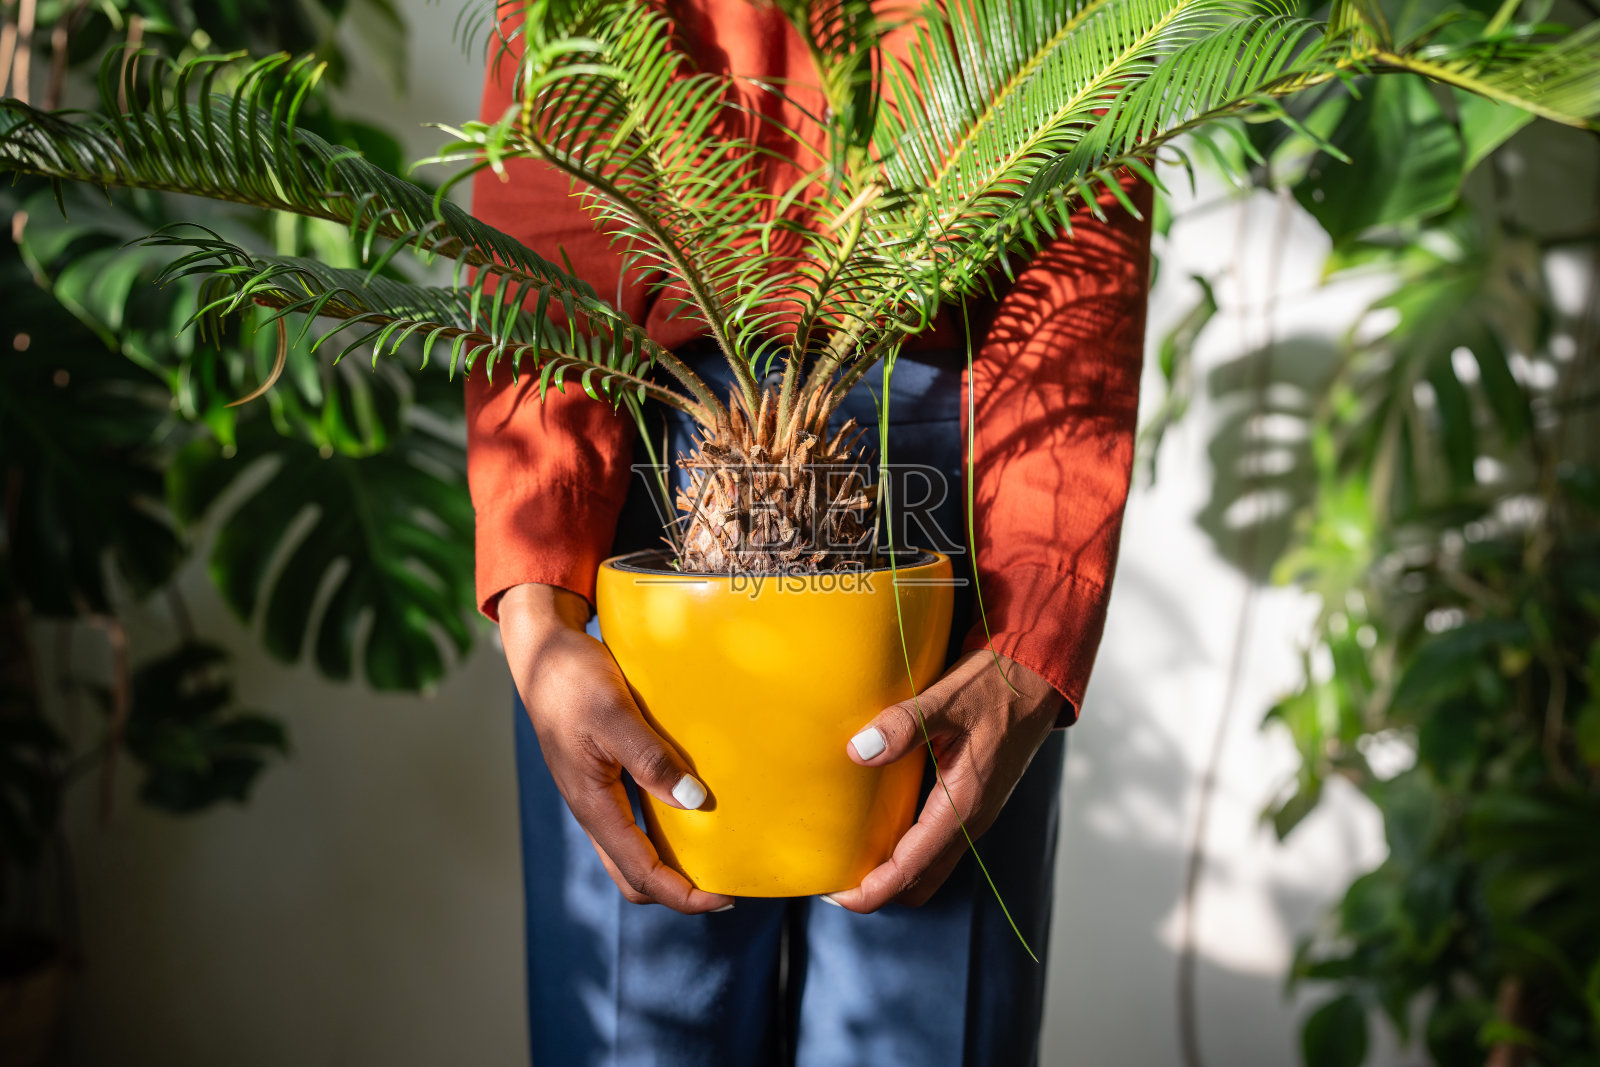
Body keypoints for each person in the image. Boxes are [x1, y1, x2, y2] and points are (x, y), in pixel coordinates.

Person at [465, 3, 1152, 1063]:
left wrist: (1025, 639)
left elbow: (1087, 167)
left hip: (957, 445)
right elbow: (551, 194)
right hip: (657, 458)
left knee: (916, 1025)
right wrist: (540, 619)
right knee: (640, 1027)